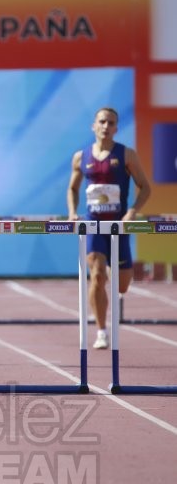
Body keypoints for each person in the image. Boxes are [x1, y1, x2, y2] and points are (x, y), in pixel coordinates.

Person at [67, 107, 150, 350]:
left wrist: (132, 211)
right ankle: (102, 331)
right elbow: (72, 188)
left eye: (111, 122)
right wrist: (72, 212)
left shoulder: (126, 155)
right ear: (94, 125)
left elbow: (144, 187)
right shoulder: (81, 157)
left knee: (122, 285)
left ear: (116, 128)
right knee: (97, 274)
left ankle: (113, 292)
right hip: (93, 224)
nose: (106, 126)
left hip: (118, 226)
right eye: (102, 121)